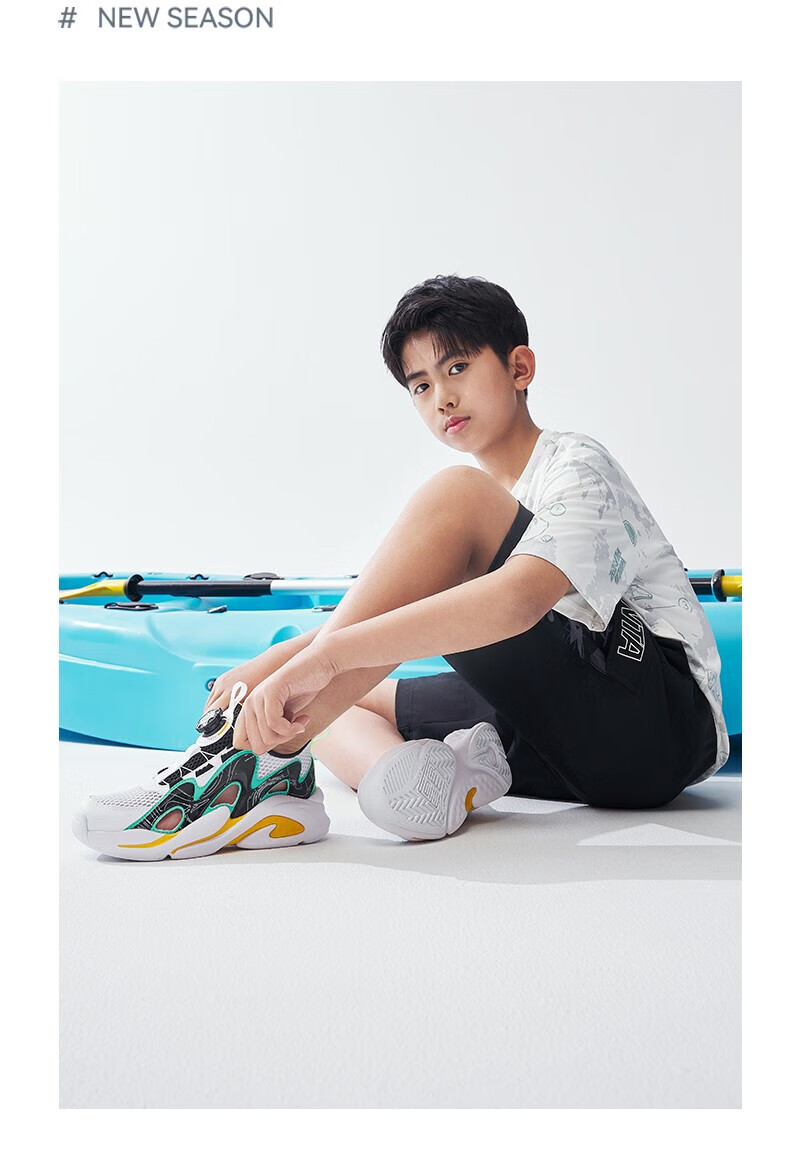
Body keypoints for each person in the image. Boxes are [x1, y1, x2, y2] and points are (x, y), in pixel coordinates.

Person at [73, 274, 727, 861]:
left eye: (457, 367)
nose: (442, 397)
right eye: (421, 386)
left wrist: (321, 659)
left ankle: (246, 765)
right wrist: (279, 664)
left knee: (451, 501)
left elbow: (518, 600)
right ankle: (382, 779)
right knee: (342, 697)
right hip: (567, 741)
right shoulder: (491, 514)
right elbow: (392, 618)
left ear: (519, 367)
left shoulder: (575, 466)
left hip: (657, 726)